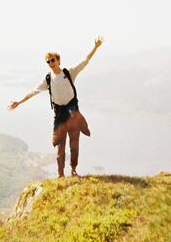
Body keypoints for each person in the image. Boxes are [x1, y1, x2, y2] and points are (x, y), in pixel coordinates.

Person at [8, 37, 103, 178]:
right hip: (59, 115)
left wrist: (95, 47)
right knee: (60, 145)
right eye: (48, 61)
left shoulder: (69, 73)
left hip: (73, 113)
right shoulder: (48, 79)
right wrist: (19, 102)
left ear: (58, 60)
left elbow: (85, 61)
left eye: (53, 60)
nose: (51, 63)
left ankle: (73, 169)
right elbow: (33, 92)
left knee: (74, 144)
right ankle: (60, 174)